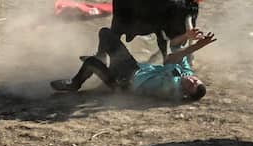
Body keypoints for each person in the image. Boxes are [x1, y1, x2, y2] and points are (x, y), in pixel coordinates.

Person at [50, 26, 215, 103]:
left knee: (91, 63)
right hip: (130, 69)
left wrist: (196, 46)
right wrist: (186, 35)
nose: (192, 80)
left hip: (124, 83)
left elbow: (170, 58)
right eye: (196, 80)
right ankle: (101, 59)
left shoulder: (173, 88)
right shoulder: (186, 72)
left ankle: (74, 84)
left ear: (186, 93)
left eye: (192, 85)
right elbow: (174, 44)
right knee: (106, 34)